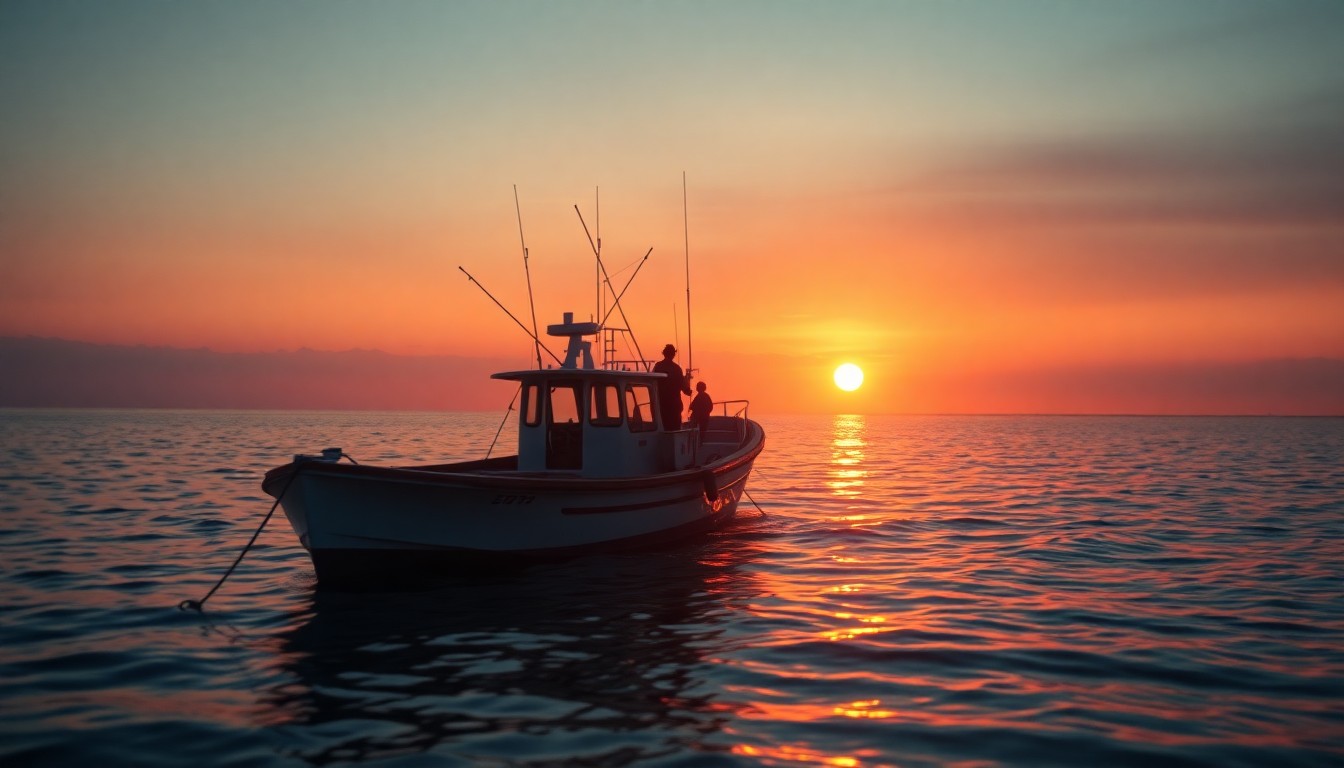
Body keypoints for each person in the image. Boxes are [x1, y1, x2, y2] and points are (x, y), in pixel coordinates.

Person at [652, 343, 692, 430]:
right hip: (674, 406)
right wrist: (688, 390)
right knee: (674, 430)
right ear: (673, 354)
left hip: (660, 405)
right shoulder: (677, 369)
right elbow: (685, 388)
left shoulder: (658, 366)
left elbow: (652, 382)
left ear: (664, 353)